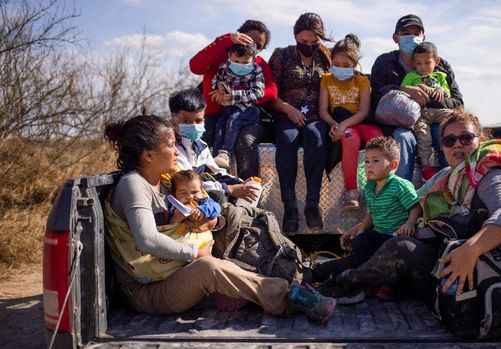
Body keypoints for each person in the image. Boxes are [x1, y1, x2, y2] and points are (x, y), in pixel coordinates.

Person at [103, 114, 336, 322]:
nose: (177, 152)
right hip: (149, 289)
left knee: (232, 217)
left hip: (174, 270)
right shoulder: (133, 185)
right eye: (172, 145)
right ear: (149, 155)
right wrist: (195, 253)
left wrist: (210, 221)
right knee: (208, 267)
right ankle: (288, 296)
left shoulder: (167, 179)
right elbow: (147, 241)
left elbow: (210, 205)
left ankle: (289, 271)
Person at [317, 109, 501, 307]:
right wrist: (361, 227)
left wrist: (471, 250)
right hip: (431, 251)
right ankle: (311, 274)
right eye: (449, 141)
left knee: (399, 246)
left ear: (480, 140)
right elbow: (413, 202)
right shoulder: (447, 175)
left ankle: (346, 284)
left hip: (456, 268)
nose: (457, 145)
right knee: (367, 242)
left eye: (465, 138)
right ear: (442, 146)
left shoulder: (489, 175)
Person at [312, 137, 419, 291]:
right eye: (367, 161)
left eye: (375, 161)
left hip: (395, 238)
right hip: (379, 235)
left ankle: (373, 281)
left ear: (394, 164)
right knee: (361, 241)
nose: (369, 166)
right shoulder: (369, 187)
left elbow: (415, 207)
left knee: (369, 250)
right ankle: (364, 277)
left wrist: (409, 223)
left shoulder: (400, 185)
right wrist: (359, 232)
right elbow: (372, 214)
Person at [370, 14, 464, 182]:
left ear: (423, 37)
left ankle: (450, 189)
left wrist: (434, 95)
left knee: (446, 134)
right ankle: (401, 197)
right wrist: (404, 91)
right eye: (405, 33)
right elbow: (375, 97)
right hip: (400, 125)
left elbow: (458, 103)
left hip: (435, 120)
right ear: (395, 37)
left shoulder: (440, 65)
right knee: (402, 138)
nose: (411, 37)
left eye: (416, 33)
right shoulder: (384, 62)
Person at [268, 13, 332, 233]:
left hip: (317, 115)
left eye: (314, 42)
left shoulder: (326, 57)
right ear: (295, 36)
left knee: (316, 137)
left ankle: (312, 205)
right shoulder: (282, 55)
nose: (309, 46)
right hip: (286, 113)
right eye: (304, 42)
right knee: (287, 139)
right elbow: (269, 93)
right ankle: (290, 207)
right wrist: (288, 109)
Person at [189, 20, 276, 179]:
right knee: (202, 139)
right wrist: (225, 40)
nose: (251, 45)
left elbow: (270, 91)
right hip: (211, 114)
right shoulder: (221, 55)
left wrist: (233, 96)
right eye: (248, 39)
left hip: (242, 112)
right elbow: (195, 66)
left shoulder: (257, 65)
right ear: (238, 36)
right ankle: (203, 188)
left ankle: (248, 192)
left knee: (244, 140)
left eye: (258, 45)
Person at [318, 33, 383, 210]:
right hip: (339, 122)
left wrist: (343, 125)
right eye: (336, 65)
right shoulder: (326, 79)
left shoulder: (362, 81)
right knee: (349, 138)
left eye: (346, 65)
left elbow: (363, 111)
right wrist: (334, 125)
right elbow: (323, 110)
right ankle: (351, 191)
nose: (340, 68)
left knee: (376, 139)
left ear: (354, 65)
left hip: (359, 121)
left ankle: (377, 188)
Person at [168, 88, 259, 206]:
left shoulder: (201, 146)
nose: (193, 126)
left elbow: (216, 172)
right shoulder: (172, 147)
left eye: (198, 120)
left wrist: (239, 183)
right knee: (218, 197)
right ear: (173, 119)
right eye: (186, 121)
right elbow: (188, 181)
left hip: (199, 190)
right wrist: (228, 189)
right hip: (183, 197)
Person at [401, 42, 456, 180]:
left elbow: (448, 93)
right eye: (418, 64)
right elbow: (402, 91)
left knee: (452, 125)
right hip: (421, 113)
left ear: (436, 61)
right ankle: (426, 166)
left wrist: (440, 90)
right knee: (423, 135)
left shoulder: (441, 76)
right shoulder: (411, 77)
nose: (423, 67)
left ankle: (453, 167)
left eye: (427, 63)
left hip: (439, 111)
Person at [211, 43, 264, 168]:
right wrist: (218, 86)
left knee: (233, 121)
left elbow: (258, 93)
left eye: (245, 62)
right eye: (236, 61)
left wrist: (234, 95)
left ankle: (226, 152)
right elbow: (216, 80)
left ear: (254, 59)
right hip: (227, 107)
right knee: (220, 127)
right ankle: (216, 159)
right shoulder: (224, 68)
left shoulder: (257, 71)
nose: (240, 64)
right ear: (229, 56)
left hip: (248, 109)